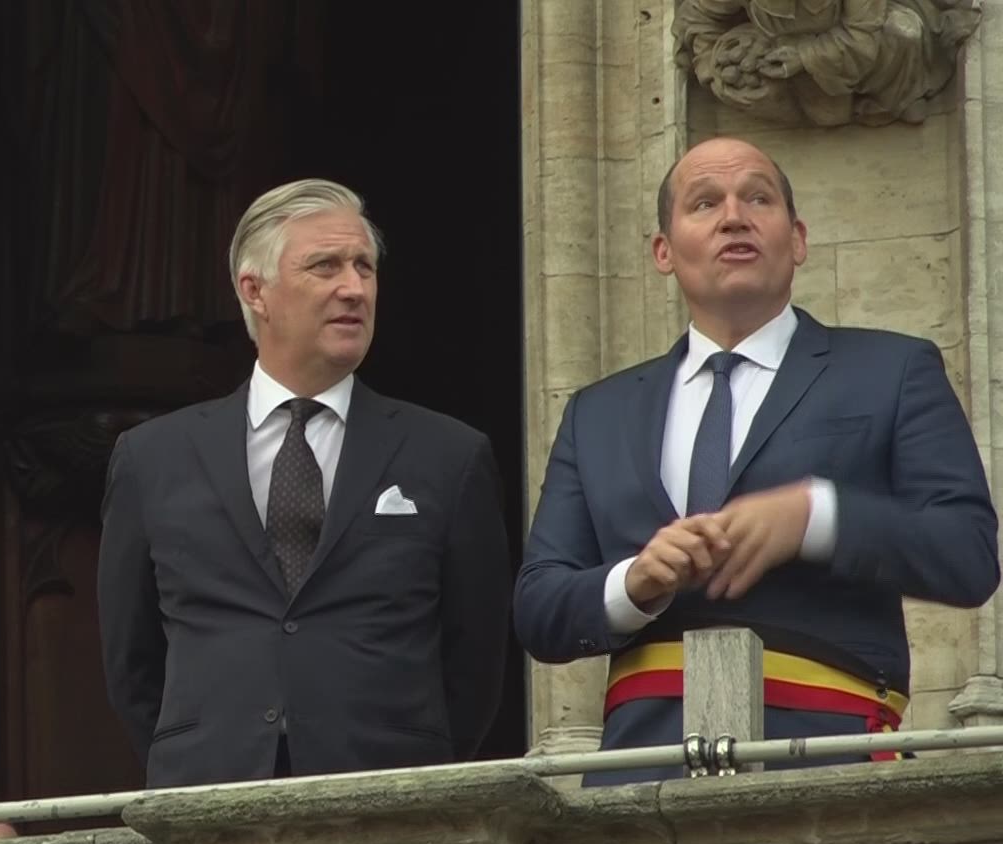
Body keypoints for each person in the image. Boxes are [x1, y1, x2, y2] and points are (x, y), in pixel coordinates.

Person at [513, 136, 999, 784]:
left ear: (797, 240)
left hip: (830, 765)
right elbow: (538, 608)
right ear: (663, 251)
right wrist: (633, 583)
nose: (733, 217)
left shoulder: (891, 369)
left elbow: (968, 554)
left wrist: (816, 516)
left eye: (758, 199)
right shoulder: (598, 412)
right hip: (641, 774)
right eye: (704, 203)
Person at [96, 178, 511, 788]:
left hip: (390, 795)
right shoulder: (152, 458)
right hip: (211, 791)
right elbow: (131, 662)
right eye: (325, 266)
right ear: (254, 291)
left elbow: (475, 663)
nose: (354, 288)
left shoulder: (449, 455)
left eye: (364, 267)